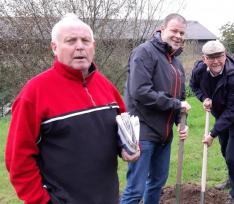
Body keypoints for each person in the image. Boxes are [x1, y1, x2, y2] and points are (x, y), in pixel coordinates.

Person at [5, 13, 139, 204]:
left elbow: (124, 128)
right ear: (54, 47)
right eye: (70, 40)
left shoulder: (105, 86)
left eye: (85, 40)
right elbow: (18, 160)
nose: (80, 46)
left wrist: (129, 147)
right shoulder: (34, 93)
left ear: (93, 46)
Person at [121, 13, 191, 204]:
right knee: (135, 189)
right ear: (162, 28)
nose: (178, 35)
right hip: (143, 131)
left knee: (156, 184)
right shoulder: (144, 52)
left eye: (182, 33)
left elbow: (180, 97)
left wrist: (181, 121)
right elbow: (140, 91)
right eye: (174, 30)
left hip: (164, 134)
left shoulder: (175, 62)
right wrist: (176, 104)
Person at [190, 40, 234, 204]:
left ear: (225, 55)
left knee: (232, 155)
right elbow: (193, 86)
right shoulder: (199, 70)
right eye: (211, 57)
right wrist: (204, 98)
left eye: (220, 56)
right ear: (204, 59)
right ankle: (232, 179)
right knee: (225, 150)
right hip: (220, 114)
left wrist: (212, 133)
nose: (216, 61)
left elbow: (233, 111)